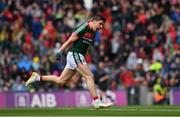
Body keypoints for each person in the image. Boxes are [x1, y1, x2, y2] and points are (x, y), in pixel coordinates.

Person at [25, 15, 112, 109]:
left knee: (60, 81)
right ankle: (97, 101)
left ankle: (37, 77)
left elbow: (87, 47)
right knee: (89, 76)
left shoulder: (93, 32)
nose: (101, 27)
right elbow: (70, 39)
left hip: (78, 56)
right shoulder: (84, 27)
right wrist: (59, 51)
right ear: (94, 21)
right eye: (100, 24)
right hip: (75, 54)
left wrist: (84, 57)